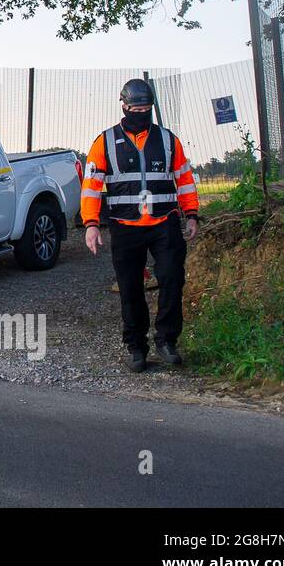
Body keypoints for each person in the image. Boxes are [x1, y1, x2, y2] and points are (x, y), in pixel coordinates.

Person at [81, 79, 199, 372]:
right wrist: (91, 224)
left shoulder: (168, 140)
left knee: (172, 278)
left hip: (165, 224)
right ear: (123, 106)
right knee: (130, 288)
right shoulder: (104, 142)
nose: (141, 112)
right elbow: (91, 187)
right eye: (136, 108)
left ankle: (167, 341)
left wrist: (192, 213)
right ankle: (137, 347)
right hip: (125, 226)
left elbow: (184, 178)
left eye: (146, 108)